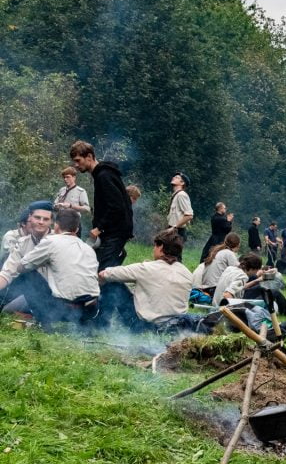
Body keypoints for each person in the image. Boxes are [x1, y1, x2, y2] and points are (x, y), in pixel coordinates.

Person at [10, 209, 99, 329]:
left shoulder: (51, 241)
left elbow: (22, 267)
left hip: (63, 311)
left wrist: (41, 263)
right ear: (77, 229)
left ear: (56, 226)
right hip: (91, 310)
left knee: (27, 275)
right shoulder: (88, 248)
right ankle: (83, 324)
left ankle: (44, 322)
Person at [98, 229, 192, 332]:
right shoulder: (187, 273)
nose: (153, 249)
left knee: (114, 284)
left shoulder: (147, 268)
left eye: (155, 246)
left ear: (161, 247)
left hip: (146, 326)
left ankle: (99, 324)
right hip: (176, 326)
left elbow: (106, 274)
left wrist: (102, 277)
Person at [69, 140, 133, 270]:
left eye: (78, 160)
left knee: (103, 272)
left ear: (89, 157)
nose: (76, 165)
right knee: (102, 270)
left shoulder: (104, 176)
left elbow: (117, 206)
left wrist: (99, 228)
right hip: (112, 233)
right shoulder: (101, 174)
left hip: (114, 233)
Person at [0, 202, 55, 312]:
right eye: (37, 217)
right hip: (33, 294)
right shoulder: (22, 243)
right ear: (30, 218)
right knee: (6, 310)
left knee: (29, 273)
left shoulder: (59, 240)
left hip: (57, 297)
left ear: (51, 221)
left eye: (45, 219)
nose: (41, 222)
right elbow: (7, 273)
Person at [166, 172, 193, 242]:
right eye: (174, 176)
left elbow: (189, 215)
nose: (173, 178)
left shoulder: (181, 195)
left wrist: (174, 227)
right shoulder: (176, 195)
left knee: (171, 253)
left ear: (182, 183)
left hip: (177, 231)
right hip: (173, 230)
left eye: (177, 177)